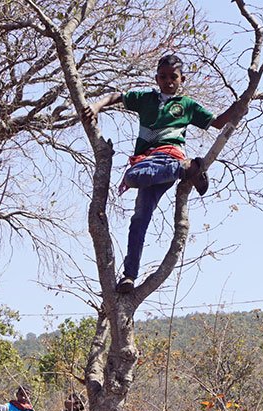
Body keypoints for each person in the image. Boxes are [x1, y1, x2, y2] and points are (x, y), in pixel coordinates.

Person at [83, 53, 235, 293]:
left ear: (182, 78)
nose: (168, 81)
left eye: (173, 77)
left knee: (132, 178)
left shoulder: (186, 105)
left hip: (170, 158)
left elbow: (217, 122)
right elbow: (117, 96)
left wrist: (242, 104)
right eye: (163, 77)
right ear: (157, 78)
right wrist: (96, 105)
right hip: (147, 162)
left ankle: (185, 168)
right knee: (139, 219)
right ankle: (129, 276)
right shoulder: (146, 98)